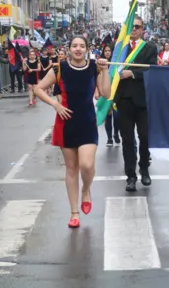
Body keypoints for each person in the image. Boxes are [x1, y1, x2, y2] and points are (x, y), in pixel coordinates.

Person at [33, 37, 110, 228]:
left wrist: (106, 70)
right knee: (71, 169)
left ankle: (87, 190)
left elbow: (106, 94)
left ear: (87, 49)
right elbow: (38, 89)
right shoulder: (59, 68)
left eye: (82, 46)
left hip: (87, 122)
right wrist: (55, 104)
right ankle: (74, 213)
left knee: (87, 165)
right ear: (68, 49)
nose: (78, 49)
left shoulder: (95, 67)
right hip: (66, 123)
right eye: (74, 46)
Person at [113, 15, 158, 192]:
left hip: (143, 99)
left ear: (142, 29)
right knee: (127, 140)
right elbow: (111, 69)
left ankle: (144, 169)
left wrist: (131, 73)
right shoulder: (119, 49)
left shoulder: (149, 47)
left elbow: (151, 69)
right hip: (124, 100)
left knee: (145, 137)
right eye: (131, 26)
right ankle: (130, 176)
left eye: (137, 27)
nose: (134, 29)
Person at [100, 45, 121, 146]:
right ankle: (109, 138)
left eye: (109, 51)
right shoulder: (100, 64)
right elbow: (97, 79)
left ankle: (116, 133)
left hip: (116, 94)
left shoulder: (116, 63)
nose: (107, 52)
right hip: (105, 95)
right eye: (105, 51)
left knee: (117, 117)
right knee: (107, 117)